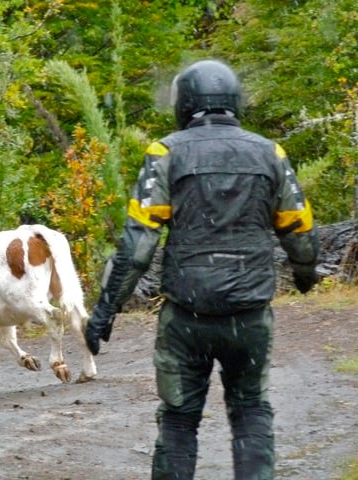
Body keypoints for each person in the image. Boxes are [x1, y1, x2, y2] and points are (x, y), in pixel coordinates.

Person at [85, 59, 319, 479]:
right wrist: (305, 273)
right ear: (233, 100)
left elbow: (138, 244)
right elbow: (299, 227)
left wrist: (106, 308)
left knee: (178, 421)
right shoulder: (270, 152)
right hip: (248, 315)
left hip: (187, 316)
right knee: (251, 412)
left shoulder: (166, 152)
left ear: (185, 102)